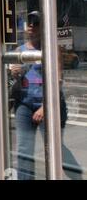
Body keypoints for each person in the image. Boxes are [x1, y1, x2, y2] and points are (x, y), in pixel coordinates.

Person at [10, 11, 82, 180]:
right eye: (29, 22)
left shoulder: (52, 48)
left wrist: (45, 107)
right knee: (23, 149)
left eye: (36, 23)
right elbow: (17, 80)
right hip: (25, 105)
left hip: (48, 105)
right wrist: (14, 73)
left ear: (43, 27)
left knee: (54, 148)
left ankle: (76, 176)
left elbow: (58, 80)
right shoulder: (18, 50)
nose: (31, 26)